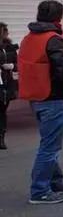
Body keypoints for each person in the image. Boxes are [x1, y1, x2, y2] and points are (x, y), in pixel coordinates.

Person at [17, 1, 63, 204]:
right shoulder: (53, 39)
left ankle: (55, 181)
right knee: (49, 147)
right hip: (55, 99)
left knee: (49, 143)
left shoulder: (29, 38)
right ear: (59, 17)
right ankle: (40, 191)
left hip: (38, 98)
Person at [0, 22, 18, 150]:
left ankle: (1, 138)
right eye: (4, 30)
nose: (6, 32)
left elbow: (17, 63)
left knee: (2, 110)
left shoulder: (10, 47)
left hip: (7, 83)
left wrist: (12, 66)